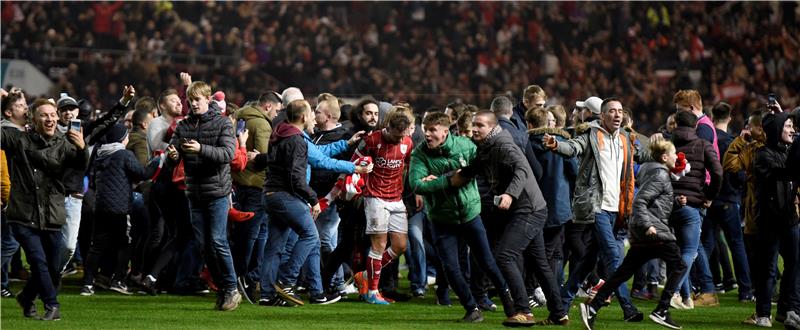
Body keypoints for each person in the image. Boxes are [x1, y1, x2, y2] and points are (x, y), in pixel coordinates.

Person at [453, 111, 567, 326]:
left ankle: (524, 311)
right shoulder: (488, 146)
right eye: (473, 125)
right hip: (532, 208)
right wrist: (442, 179)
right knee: (540, 263)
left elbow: (522, 168)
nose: (475, 129)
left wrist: (510, 194)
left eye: (480, 125)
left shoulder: (503, 144)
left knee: (504, 256)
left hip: (528, 210)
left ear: (492, 127)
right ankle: (559, 313)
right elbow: (471, 170)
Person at [544, 97, 643, 322]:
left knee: (587, 263)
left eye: (620, 111)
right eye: (612, 111)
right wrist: (557, 145)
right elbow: (573, 146)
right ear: (602, 116)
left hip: (615, 209)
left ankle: (559, 309)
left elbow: (645, 154)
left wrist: (667, 157)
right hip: (596, 206)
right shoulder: (591, 135)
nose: (617, 114)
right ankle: (628, 308)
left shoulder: (626, 139)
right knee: (614, 257)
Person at [408, 112, 513, 323]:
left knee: (487, 262)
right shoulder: (419, 154)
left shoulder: (465, 145)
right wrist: (448, 181)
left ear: (445, 131)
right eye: (425, 129)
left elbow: (480, 168)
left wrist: (441, 180)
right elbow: (417, 185)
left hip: (470, 214)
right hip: (441, 219)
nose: (427, 134)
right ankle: (471, 308)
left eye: (432, 130)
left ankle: (511, 304)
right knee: (450, 268)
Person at [580, 140, 688, 330]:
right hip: (654, 232)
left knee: (622, 273)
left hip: (643, 232)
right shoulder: (661, 175)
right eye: (673, 153)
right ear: (664, 157)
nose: (676, 156)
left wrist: (675, 202)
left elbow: (653, 202)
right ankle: (662, 310)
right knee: (679, 265)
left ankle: (593, 308)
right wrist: (647, 225)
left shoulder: (649, 170)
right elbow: (640, 201)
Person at [2, 98, 89, 321]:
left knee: (53, 267)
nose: (50, 119)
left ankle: (27, 297)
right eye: (44, 115)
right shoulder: (17, 138)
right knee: (38, 261)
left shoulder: (65, 142)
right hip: (23, 213)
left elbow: (79, 167)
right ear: (32, 118)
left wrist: (82, 150)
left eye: (52, 115)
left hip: (51, 213)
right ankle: (52, 305)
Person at [258, 100, 341, 306]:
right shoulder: (297, 140)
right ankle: (286, 281)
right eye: (311, 113)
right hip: (285, 196)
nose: (313, 116)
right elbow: (297, 177)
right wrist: (313, 199)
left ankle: (267, 294)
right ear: (303, 117)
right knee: (311, 236)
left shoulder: (280, 133)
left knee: (274, 246)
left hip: (270, 194)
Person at [166, 81, 240, 311]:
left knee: (217, 241)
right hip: (194, 193)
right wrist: (173, 154)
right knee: (203, 245)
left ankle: (231, 289)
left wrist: (201, 149)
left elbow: (229, 153)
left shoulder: (223, 123)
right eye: (190, 100)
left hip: (217, 192)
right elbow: (173, 156)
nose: (193, 103)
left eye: (197, 99)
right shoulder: (183, 125)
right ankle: (222, 287)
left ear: (208, 100)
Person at [80, 123, 156, 296]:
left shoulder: (100, 153)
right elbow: (142, 173)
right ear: (122, 138)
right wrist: (157, 162)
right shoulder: (123, 154)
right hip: (121, 208)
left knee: (97, 245)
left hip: (100, 206)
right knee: (126, 244)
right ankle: (119, 280)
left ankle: (88, 283)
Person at [350, 108, 414, 305]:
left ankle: (365, 276)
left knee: (400, 245)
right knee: (378, 245)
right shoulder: (372, 140)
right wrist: (352, 187)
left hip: (396, 198)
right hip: (374, 197)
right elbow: (353, 162)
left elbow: (409, 166)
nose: (399, 140)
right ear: (389, 128)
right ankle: (372, 292)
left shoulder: (408, 143)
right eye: (397, 136)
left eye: (403, 136)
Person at [748, 112, 799, 327]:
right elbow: (783, 172)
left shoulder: (789, 151)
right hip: (769, 221)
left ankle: (789, 310)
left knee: (794, 266)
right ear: (776, 130)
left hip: (789, 218)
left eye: (792, 126)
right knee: (768, 269)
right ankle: (763, 314)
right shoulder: (763, 155)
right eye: (787, 126)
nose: (792, 130)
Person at [229, 91, 280, 304]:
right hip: (256, 184)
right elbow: (264, 156)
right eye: (277, 109)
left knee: (250, 234)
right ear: (268, 106)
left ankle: (245, 277)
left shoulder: (239, 118)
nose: (277, 113)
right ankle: (243, 277)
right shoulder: (262, 125)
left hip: (240, 181)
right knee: (252, 234)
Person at [668, 111, 722, 308]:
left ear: (675, 124)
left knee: (676, 250)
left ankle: (687, 297)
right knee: (690, 250)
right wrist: (709, 196)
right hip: (692, 204)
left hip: (669, 204)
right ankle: (673, 292)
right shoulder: (702, 145)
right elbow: (717, 172)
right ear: (695, 127)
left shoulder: (668, 145)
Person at [704, 102, 753, 301]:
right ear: (730, 118)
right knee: (736, 245)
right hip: (729, 199)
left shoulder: (707, 139)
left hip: (709, 199)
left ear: (712, 117)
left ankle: (703, 287)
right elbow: (740, 174)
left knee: (705, 245)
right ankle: (745, 291)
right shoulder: (734, 143)